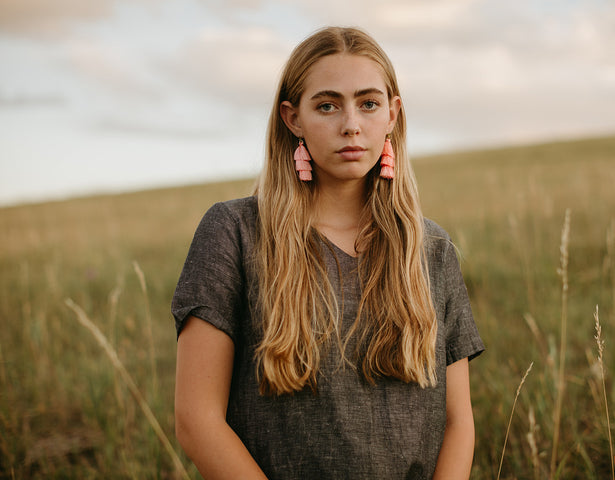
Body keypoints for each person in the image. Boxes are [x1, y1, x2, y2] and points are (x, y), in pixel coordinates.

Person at [172, 26, 484, 480]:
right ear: (292, 118)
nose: (351, 124)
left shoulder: (431, 249)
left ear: (393, 114)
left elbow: (458, 423)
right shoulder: (234, 233)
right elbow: (196, 422)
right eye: (327, 105)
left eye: (369, 103)